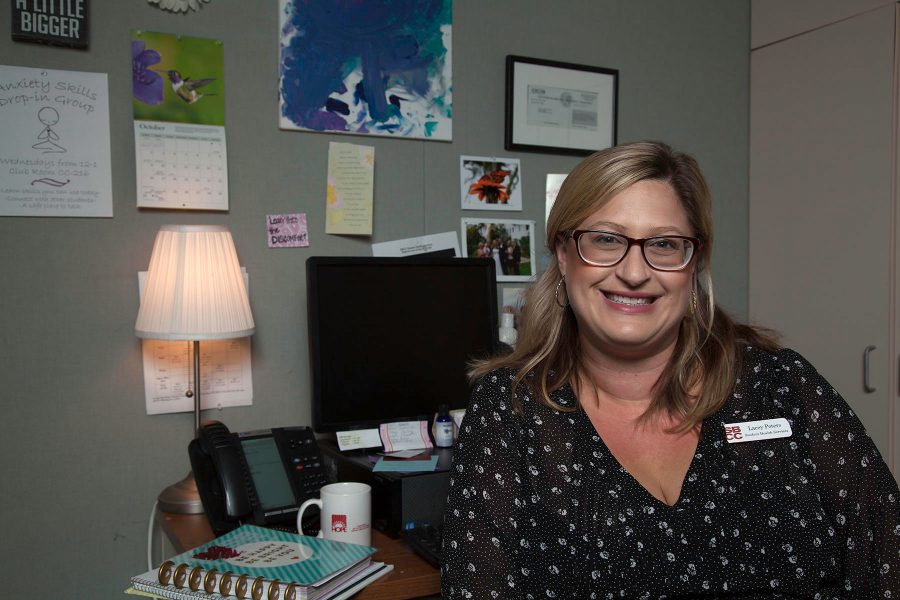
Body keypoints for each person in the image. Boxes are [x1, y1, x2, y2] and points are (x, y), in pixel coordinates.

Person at [441, 141, 900, 599]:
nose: (635, 272)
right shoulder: (510, 408)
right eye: (605, 239)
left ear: (694, 261)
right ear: (563, 254)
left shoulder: (781, 385)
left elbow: (887, 557)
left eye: (663, 244)